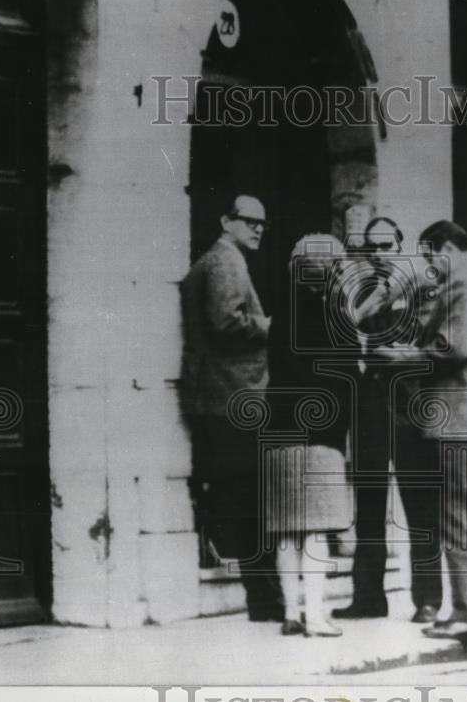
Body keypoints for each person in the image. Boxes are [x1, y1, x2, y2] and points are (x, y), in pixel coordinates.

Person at [391, 220, 467, 641]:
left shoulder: (462, 281)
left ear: (444, 247)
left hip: (461, 418)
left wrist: (399, 357)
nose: (429, 267)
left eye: (429, 256)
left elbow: (452, 347)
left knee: (460, 518)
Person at [332, 217, 444, 623]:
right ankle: (368, 597)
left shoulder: (425, 286)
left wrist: (374, 344)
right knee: (369, 507)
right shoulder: (356, 293)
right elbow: (346, 338)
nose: (378, 254)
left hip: (412, 407)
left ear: (400, 246)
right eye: (371, 248)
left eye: (386, 245)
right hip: (370, 408)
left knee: (421, 508)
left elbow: (429, 346)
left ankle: (428, 600)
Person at [179, 194, 283, 621]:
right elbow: (225, 322)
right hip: (233, 395)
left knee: (240, 496)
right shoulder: (226, 261)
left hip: (221, 394)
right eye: (249, 221)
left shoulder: (217, 259)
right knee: (251, 500)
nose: (258, 228)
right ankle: (264, 598)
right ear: (227, 221)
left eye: (262, 223)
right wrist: (270, 326)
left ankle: (262, 596)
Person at [265, 234, 356, 637]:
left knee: (286, 527)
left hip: (280, 428)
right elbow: (346, 374)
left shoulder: (282, 312)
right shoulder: (333, 314)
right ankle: (317, 616)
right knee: (316, 527)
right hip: (321, 432)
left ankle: (291, 612)